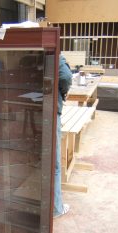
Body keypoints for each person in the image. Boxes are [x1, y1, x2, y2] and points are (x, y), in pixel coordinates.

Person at [54, 55, 72, 217]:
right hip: (49, 112)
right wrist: (63, 92)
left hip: (28, 108)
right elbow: (65, 77)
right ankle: (55, 209)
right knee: (54, 166)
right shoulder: (52, 52)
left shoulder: (25, 53)